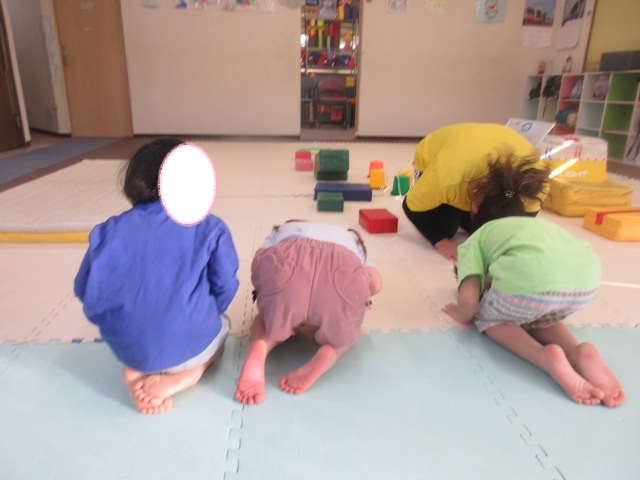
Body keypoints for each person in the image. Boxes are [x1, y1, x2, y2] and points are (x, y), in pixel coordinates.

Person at [74, 137, 239, 414]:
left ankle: (135, 373)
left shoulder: (107, 230)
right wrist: (207, 310)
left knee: (146, 333)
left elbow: (84, 288)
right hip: (191, 342)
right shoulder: (210, 227)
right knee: (223, 327)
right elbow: (225, 284)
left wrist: (116, 320)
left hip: (129, 348)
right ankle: (189, 374)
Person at [442, 216, 624, 408]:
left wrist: (463, 315)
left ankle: (544, 356)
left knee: (490, 318)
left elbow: (468, 299)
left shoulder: (469, 246)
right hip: (586, 281)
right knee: (538, 315)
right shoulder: (525, 227)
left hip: (532, 281)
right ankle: (577, 351)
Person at [234, 221, 383, 405]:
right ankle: (330, 351)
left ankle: (260, 346)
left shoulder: (282, 230)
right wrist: (356, 302)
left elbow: (257, 263)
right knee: (351, 330)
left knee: (268, 321)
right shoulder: (352, 240)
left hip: (289, 260)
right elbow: (375, 283)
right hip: (342, 267)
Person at [403, 122, 550, 261]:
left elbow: (522, 223)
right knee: (445, 229)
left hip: (488, 142)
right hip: (437, 149)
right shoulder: (448, 176)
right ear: (476, 203)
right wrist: (441, 242)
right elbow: (410, 206)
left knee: (485, 232)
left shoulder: (535, 188)